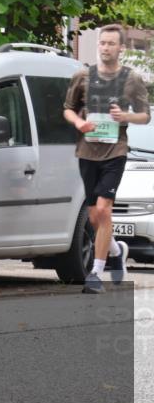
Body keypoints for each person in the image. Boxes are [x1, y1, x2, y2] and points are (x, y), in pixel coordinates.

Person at [63, 23, 150, 294]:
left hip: (116, 151)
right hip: (87, 152)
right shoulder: (82, 76)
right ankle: (116, 249)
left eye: (112, 44)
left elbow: (145, 115)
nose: (106, 48)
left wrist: (126, 117)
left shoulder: (131, 79)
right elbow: (68, 109)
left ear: (121, 48)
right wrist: (79, 124)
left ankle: (96, 273)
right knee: (93, 217)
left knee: (104, 209)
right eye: (103, 43)